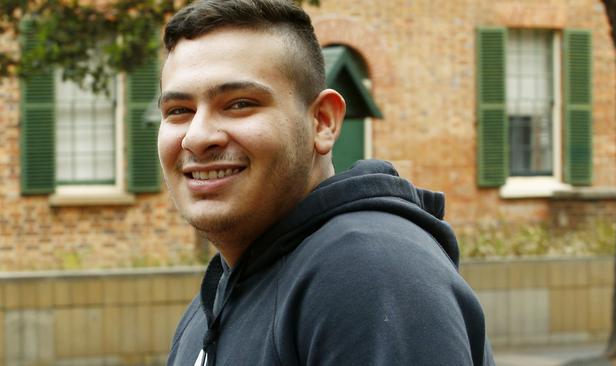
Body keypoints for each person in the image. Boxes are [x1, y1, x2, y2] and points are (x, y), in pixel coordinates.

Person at [157, 0, 495, 365]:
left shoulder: (366, 274)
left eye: (239, 104)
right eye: (179, 111)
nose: (197, 137)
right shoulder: (215, 303)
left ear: (322, 122)